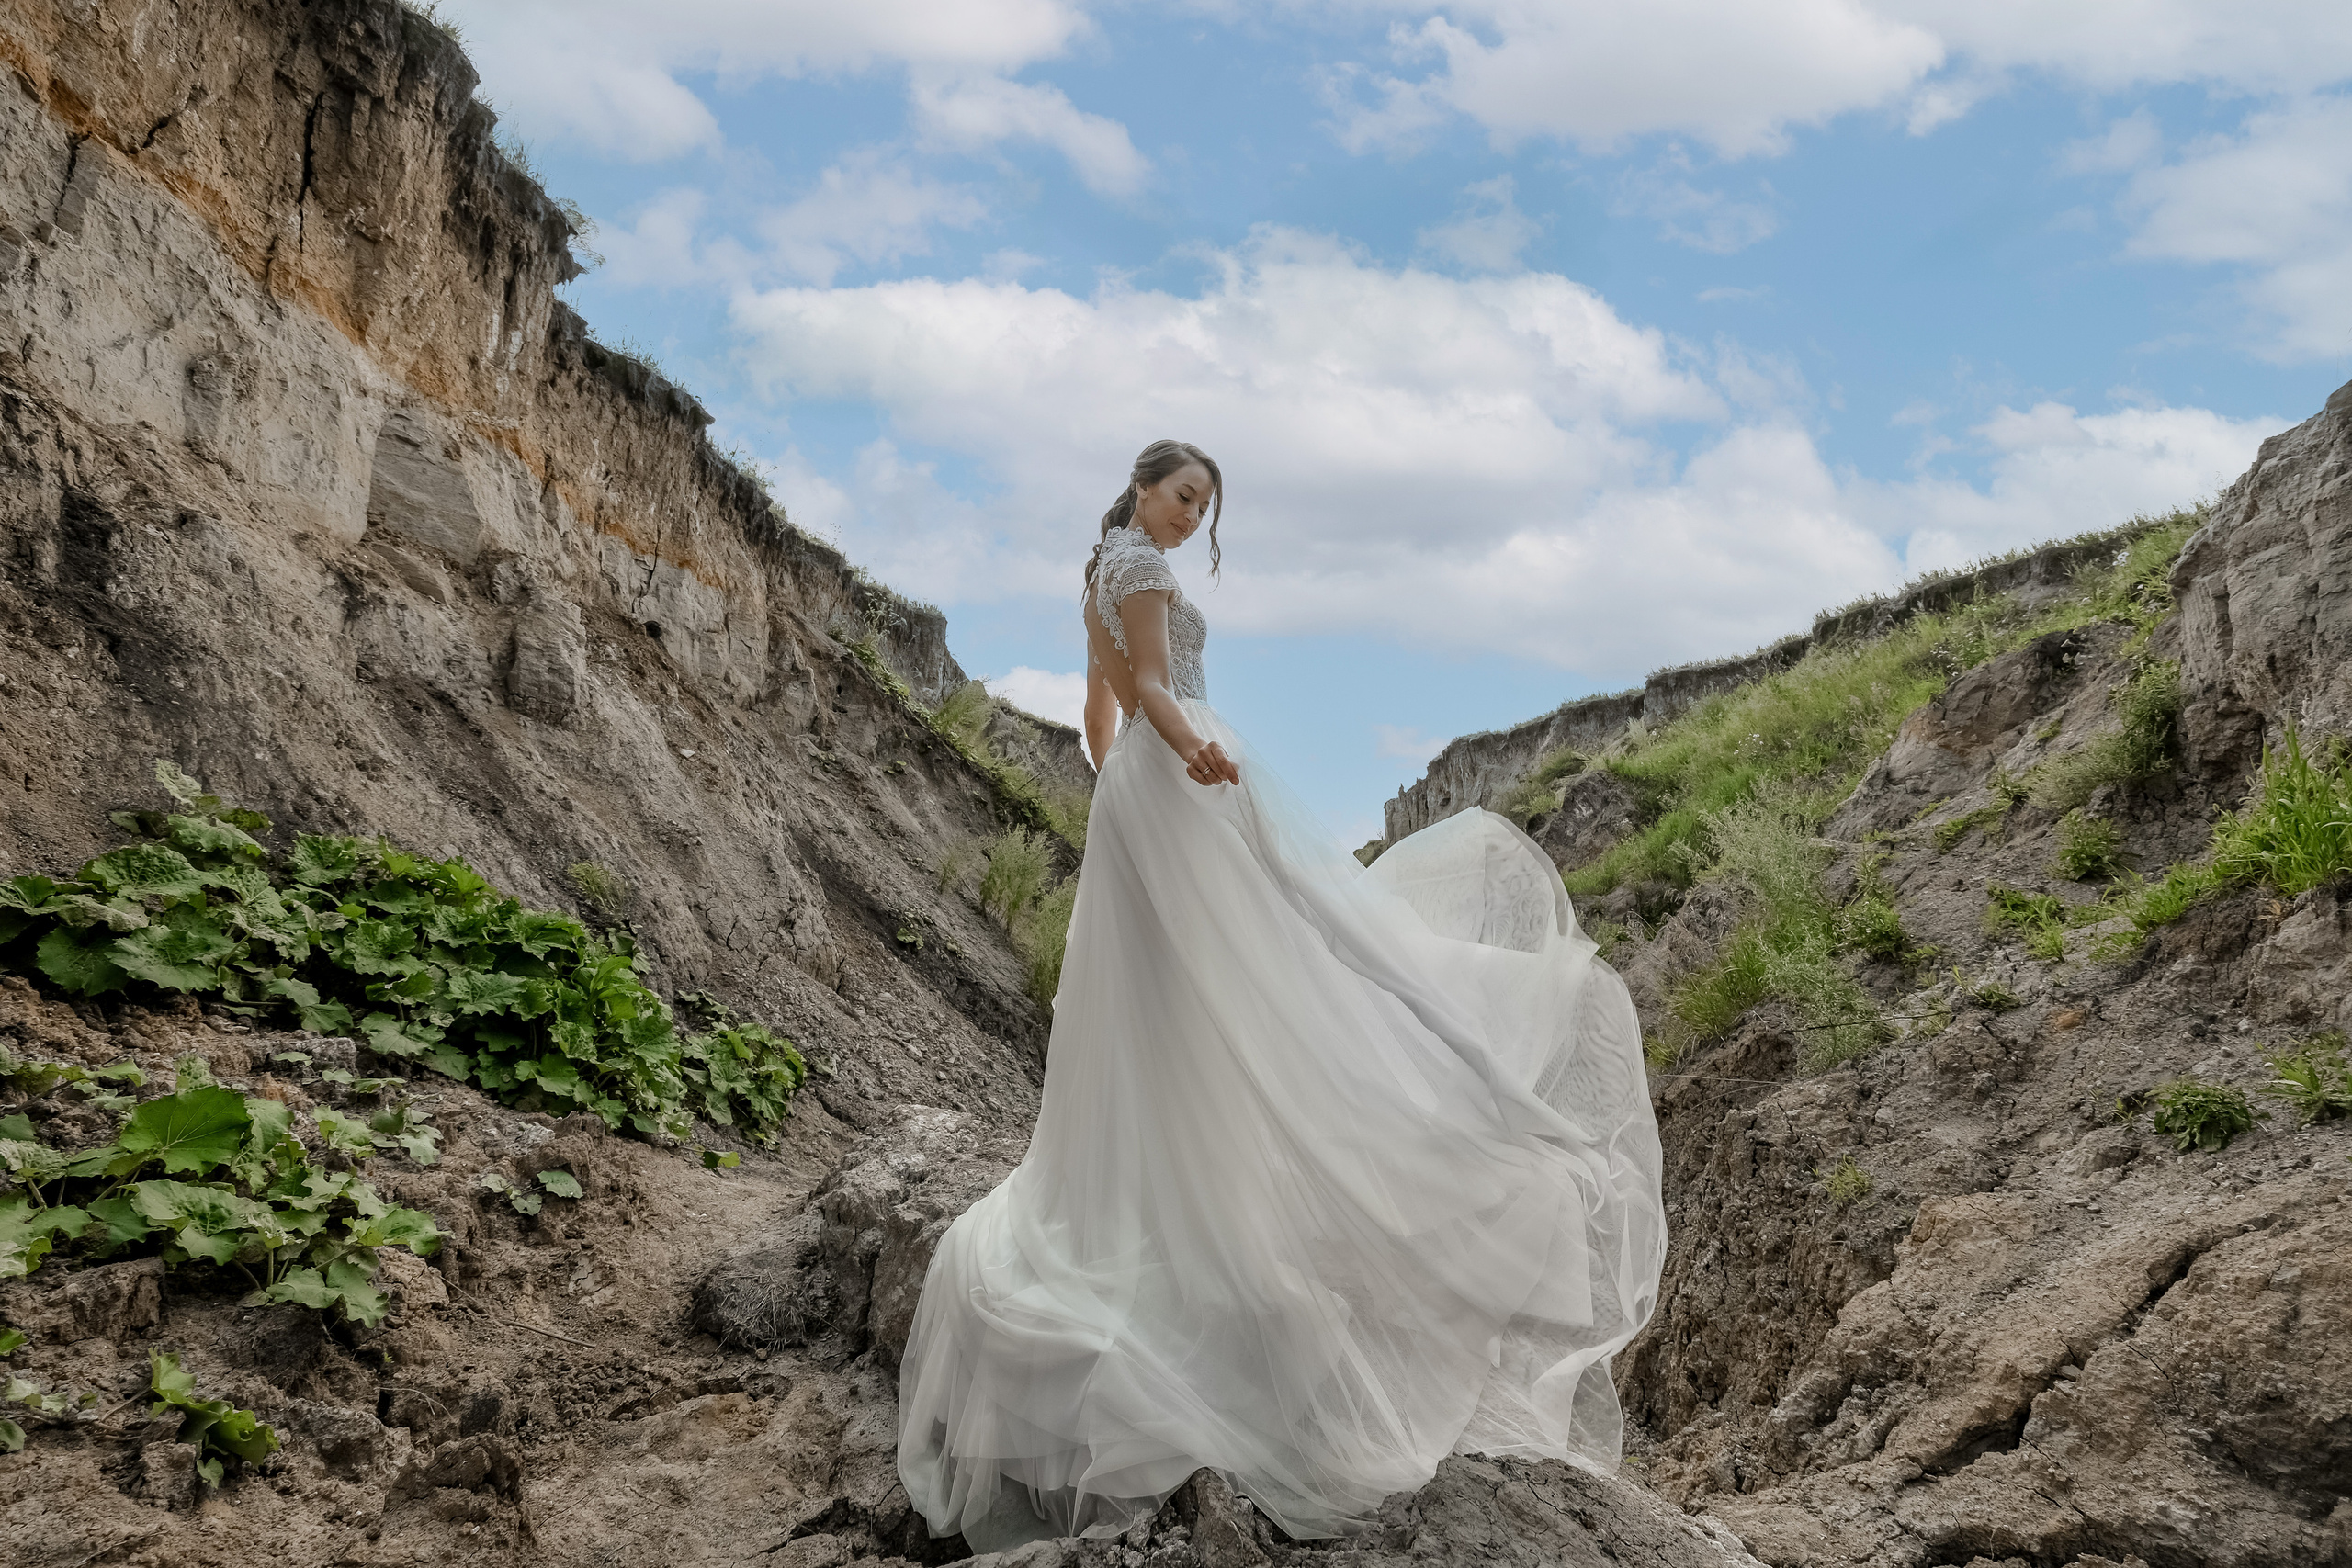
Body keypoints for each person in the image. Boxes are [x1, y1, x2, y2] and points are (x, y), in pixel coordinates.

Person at [896, 439, 1666, 1552]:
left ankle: (1184, 1201)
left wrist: (1120, 786)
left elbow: (1094, 713)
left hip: (1138, 794)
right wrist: (1191, 759)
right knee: (1270, 963)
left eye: (1203, 507)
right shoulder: (1140, 568)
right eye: (1183, 497)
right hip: (1178, 773)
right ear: (1143, 488)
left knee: (1174, 999)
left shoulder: (1096, 568)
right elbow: (1147, 688)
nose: (1191, 519)